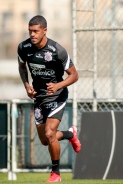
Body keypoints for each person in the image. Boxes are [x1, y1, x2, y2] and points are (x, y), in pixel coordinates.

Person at [17, 15, 81, 182]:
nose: (32, 34)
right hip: (39, 97)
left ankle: (56, 174)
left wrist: (58, 86)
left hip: (57, 96)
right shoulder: (23, 47)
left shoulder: (57, 50)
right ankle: (69, 134)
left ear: (45, 31)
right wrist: (26, 85)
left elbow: (74, 75)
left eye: (36, 31)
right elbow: (22, 67)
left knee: (49, 133)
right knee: (46, 140)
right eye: (30, 31)